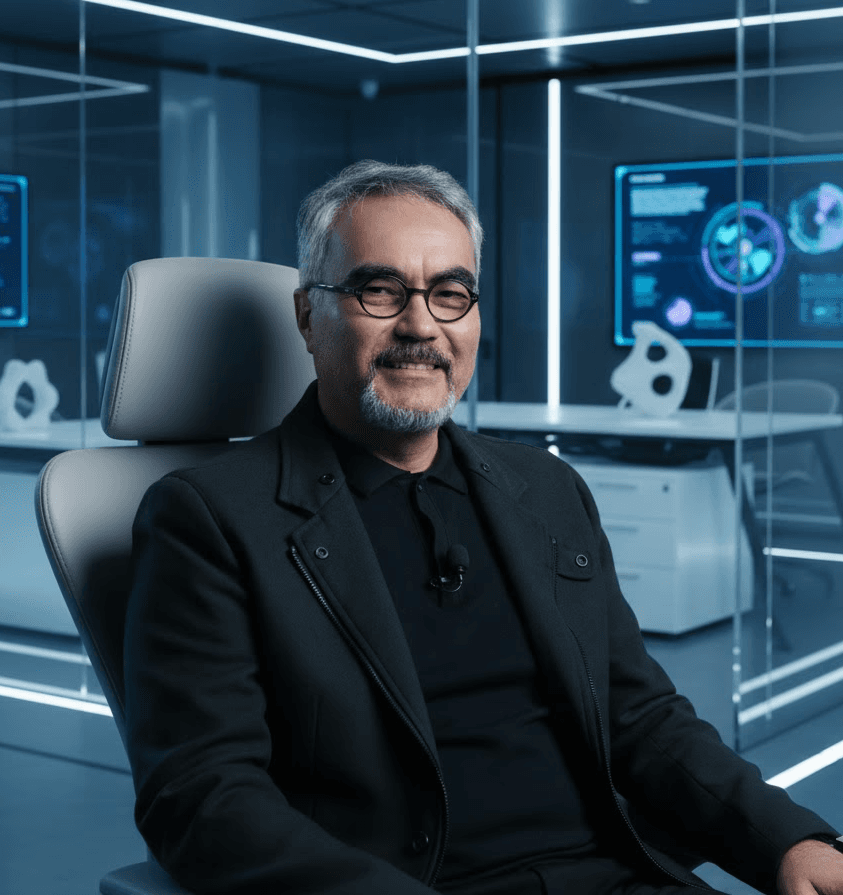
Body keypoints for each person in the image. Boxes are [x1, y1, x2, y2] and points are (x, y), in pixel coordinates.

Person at [123, 160, 843, 895]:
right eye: (379, 289)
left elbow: (640, 716)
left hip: (619, 874)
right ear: (309, 316)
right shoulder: (209, 518)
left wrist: (789, 839)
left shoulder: (546, 488)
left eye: (450, 294)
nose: (419, 325)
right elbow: (204, 797)